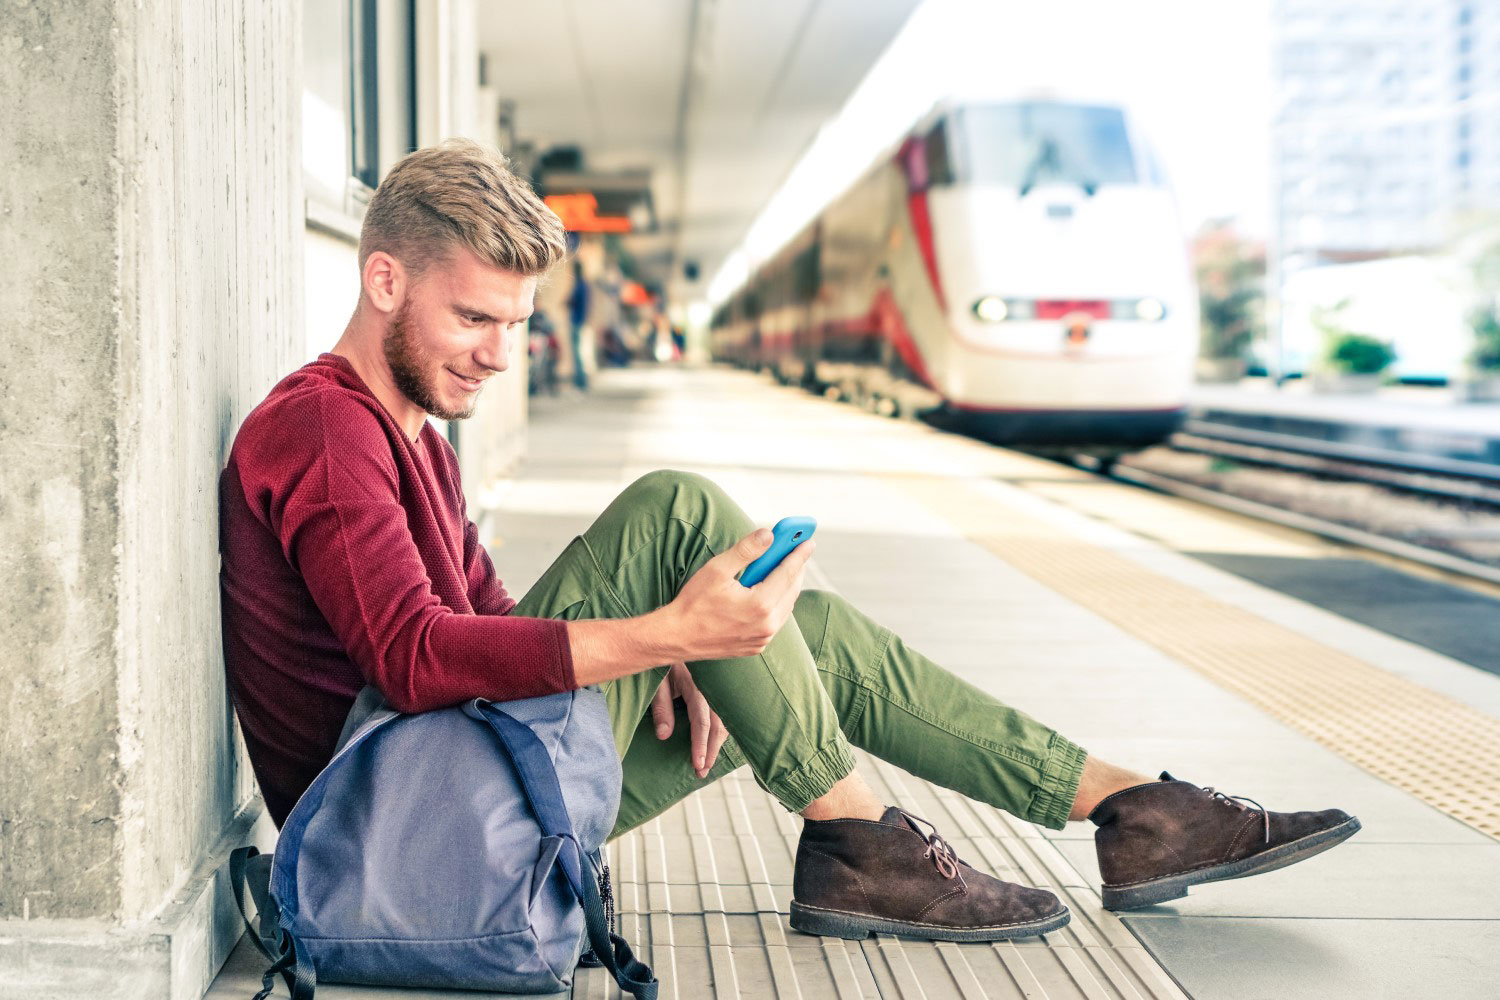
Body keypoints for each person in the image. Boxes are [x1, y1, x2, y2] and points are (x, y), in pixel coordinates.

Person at [219, 139, 1359, 945]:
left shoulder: (410, 426)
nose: (498, 355)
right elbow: (415, 658)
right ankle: (856, 836)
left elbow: (489, 620)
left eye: (515, 326)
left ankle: (1125, 806)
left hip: (463, 793)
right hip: (397, 832)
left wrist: (673, 650)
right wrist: (662, 630)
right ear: (383, 279)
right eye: (472, 318)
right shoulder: (323, 424)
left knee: (788, 621)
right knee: (678, 510)